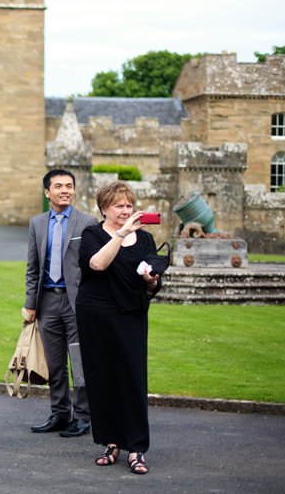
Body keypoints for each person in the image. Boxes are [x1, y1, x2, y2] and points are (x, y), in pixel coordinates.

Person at [76, 181, 162, 475]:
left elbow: (151, 280)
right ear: (103, 209)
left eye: (129, 205)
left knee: (133, 379)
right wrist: (122, 233)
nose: (126, 211)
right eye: (119, 206)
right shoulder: (92, 234)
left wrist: (152, 279)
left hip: (131, 313)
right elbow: (97, 264)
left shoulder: (146, 239)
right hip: (95, 313)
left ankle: (137, 448)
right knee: (102, 379)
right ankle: (111, 443)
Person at [23, 169, 97, 438]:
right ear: (47, 192)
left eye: (69, 186)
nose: (64, 190)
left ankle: (83, 416)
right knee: (54, 364)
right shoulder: (37, 223)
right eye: (58, 186)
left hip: (77, 302)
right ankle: (59, 413)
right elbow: (33, 267)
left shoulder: (88, 223)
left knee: (78, 361)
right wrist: (31, 304)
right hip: (47, 301)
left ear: (74, 190)